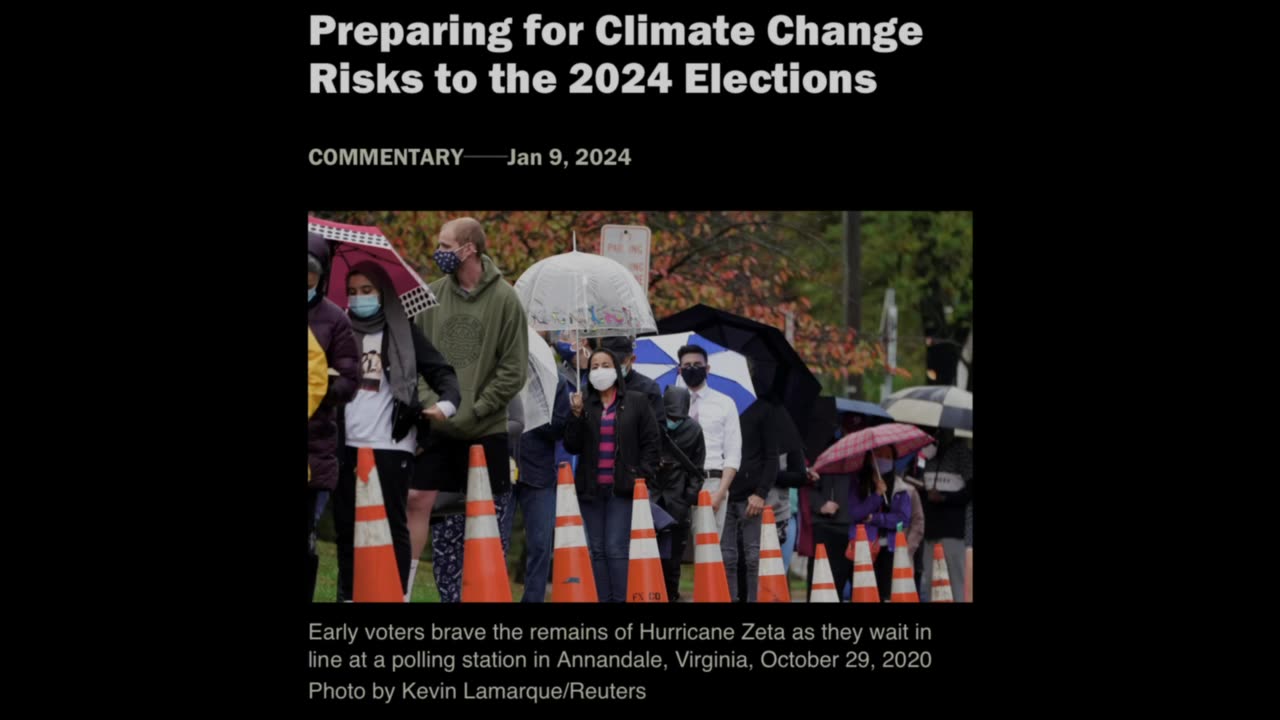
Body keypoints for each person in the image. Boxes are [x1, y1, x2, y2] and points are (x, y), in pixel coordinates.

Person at [410, 217, 528, 602]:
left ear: (470, 249)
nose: (438, 253)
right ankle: (413, 590)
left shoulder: (506, 300)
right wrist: (434, 405)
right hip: (438, 428)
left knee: (486, 522)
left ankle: (485, 596)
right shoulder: (426, 296)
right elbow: (414, 361)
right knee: (422, 507)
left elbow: (513, 370)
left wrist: (474, 410)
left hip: (486, 430)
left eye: (446, 246)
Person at [334, 262, 460, 602]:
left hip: (392, 443)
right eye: (353, 292)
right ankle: (349, 596)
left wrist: (445, 406)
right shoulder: (338, 331)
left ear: (383, 293)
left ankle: (397, 595)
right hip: (345, 444)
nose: (359, 298)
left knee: (394, 527)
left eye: (367, 291)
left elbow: (444, 374)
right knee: (347, 528)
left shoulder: (404, 332)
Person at [563, 347, 661, 602]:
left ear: (616, 370)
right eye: (594, 366)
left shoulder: (636, 401)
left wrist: (641, 476)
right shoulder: (584, 402)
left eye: (605, 365)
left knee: (615, 547)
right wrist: (575, 416)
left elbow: (652, 442)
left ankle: (621, 599)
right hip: (591, 490)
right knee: (596, 550)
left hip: (623, 489)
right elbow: (571, 445)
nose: (599, 370)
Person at [307, 234, 360, 601]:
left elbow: (350, 379)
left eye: (310, 273)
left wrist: (321, 386)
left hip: (316, 448)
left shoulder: (335, 320)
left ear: (322, 276)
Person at [429, 395, 523, 602]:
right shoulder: (445, 380)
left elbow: (518, 422)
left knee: (489, 546)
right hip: (449, 474)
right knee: (445, 546)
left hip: (492, 476)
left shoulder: (502, 382)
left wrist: (486, 428)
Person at [515, 370, 572, 602]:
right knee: (496, 541)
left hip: (539, 474)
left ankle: (533, 599)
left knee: (540, 545)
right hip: (503, 470)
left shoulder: (556, 380)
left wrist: (533, 413)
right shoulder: (499, 370)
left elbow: (560, 427)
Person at [677, 345, 741, 536]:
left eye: (697, 364)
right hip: (677, 482)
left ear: (707, 369)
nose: (692, 368)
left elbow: (733, 453)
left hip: (711, 482)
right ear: (679, 370)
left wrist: (720, 493)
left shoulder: (725, 403)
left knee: (707, 550)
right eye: (686, 365)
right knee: (674, 552)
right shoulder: (669, 402)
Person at [653, 385, 705, 602]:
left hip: (677, 501)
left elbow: (698, 469)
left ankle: (672, 595)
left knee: (673, 560)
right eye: (670, 415)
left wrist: (689, 497)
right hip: (652, 499)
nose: (674, 419)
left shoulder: (694, 430)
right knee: (650, 553)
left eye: (678, 416)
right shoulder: (653, 424)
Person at [842, 446, 913, 601]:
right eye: (879, 454)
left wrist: (876, 518)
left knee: (886, 595)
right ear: (870, 458)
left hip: (890, 548)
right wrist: (877, 494)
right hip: (864, 548)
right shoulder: (858, 482)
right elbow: (856, 513)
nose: (883, 459)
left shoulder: (900, 487)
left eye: (888, 456)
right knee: (865, 595)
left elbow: (903, 519)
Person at [726, 396, 779, 602]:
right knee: (726, 557)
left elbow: (771, 457)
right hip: (723, 493)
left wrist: (761, 493)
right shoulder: (719, 406)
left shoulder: (763, 409)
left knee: (754, 558)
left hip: (751, 498)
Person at [917, 429, 972, 601]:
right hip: (929, 530)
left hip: (952, 530)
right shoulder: (925, 454)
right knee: (932, 582)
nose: (939, 433)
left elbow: (970, 490)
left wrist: (944, 498)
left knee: (956, 581)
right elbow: (919, 483)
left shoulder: (961, 452)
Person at [600, 336, 664, 426]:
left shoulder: (648, 388)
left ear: (632, 359)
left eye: (618, 361)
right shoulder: (594, 387)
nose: (614, 366)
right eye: (607, 363)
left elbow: (658, 430)